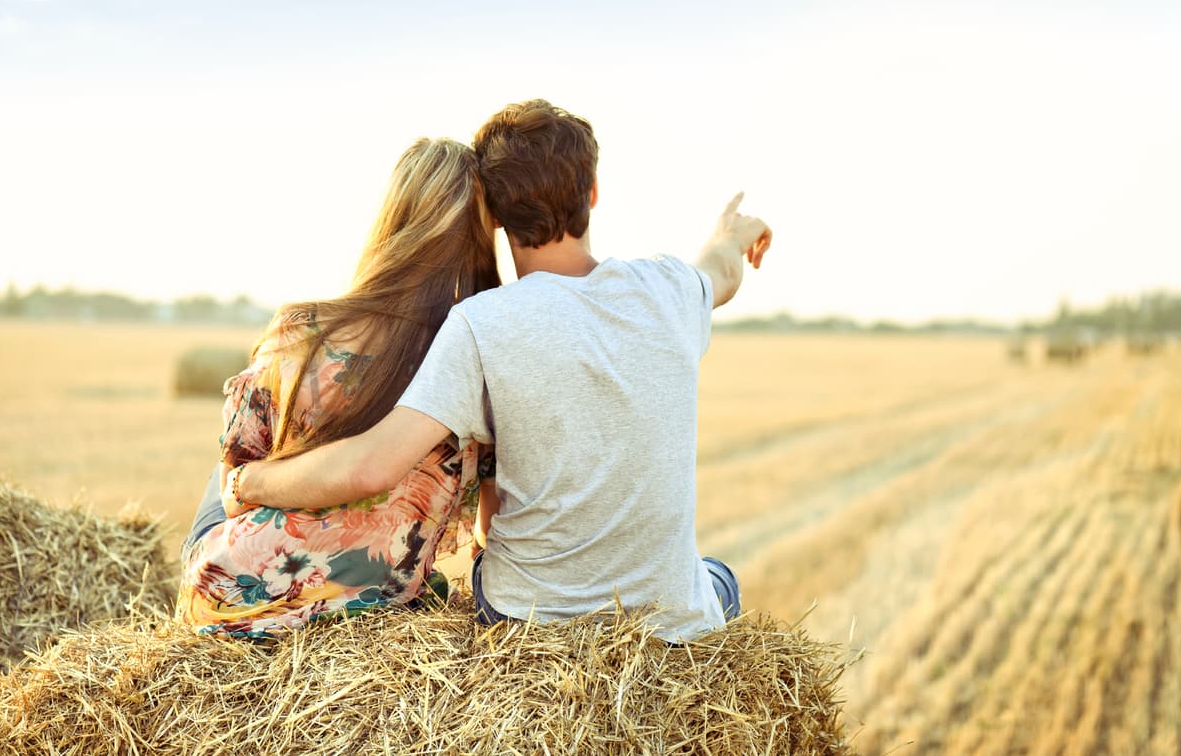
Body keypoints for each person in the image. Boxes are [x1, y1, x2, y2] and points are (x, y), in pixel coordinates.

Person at [226, 100, 771, 642]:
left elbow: (371, 467)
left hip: (525, 618)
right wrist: (734, 233)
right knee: (718, 576)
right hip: (670, 622)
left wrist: (250, 480)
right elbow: (721, 270)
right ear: (595, 191)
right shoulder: (671, 288)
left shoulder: (479, 323)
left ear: (495, 213)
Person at [175, 137, 502, 639]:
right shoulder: (478, 360)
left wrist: (246, 483)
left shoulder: (302, 328)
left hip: (232, 591)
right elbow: (490, 528)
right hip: (377, 597)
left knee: (231, 465)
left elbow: (236, 474)